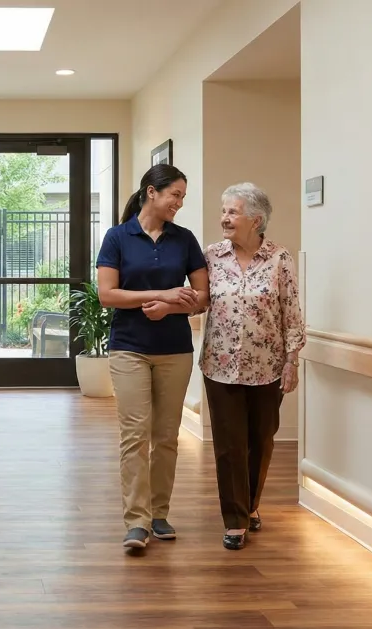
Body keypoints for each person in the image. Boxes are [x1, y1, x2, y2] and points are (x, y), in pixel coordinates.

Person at [96, 164, 209, 550]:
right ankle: (136, 521)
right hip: (128, 346)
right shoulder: (118, 237)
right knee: (134, 434)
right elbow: (107, 295)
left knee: (165, 436)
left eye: (182, 197)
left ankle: (160, 513)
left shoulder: (185, 240)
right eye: (174, 195)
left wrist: (170, 308)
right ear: (151, 192)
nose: (179, 203)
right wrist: (160, 296)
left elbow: (202, 297)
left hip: (175, 350)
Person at [200, 182, 304, 550]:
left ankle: (251, 505)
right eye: (223, 210)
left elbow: (291, 312)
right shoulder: (211, 256)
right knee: (229, 445)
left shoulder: (280, 258)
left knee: (260, 441)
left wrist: (292, 362)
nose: (224, 218)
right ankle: (235, 520)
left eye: (232, 211)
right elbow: (198, 300)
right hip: (220, 364)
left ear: (256, 219)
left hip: (267, 366)